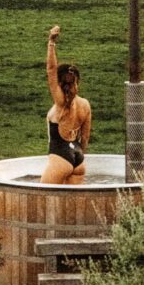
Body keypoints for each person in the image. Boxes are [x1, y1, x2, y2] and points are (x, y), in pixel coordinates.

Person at [40, 25, 92, 185]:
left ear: (60, 83)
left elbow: (50, 69)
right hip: (79, 160)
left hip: (60, 157)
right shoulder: (85, 105)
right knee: (72, 206)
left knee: (42, 199)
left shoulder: (61, 103)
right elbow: (85, 139)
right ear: (78, 82)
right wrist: (77, 155)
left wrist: (51, 42)